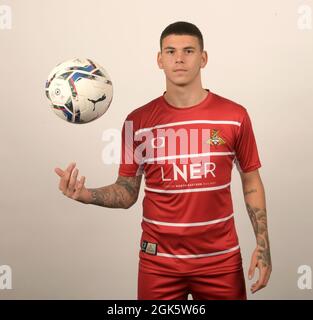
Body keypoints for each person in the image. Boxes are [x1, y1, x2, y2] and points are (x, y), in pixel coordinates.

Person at [55, 21, 272, 300]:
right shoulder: (138, 121)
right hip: (159, 265)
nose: (179, 58)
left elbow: (251, 181)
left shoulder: (234, 116)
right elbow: (127, 192)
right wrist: (86, 194)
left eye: (188, 50)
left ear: (203, 58)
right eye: (170, 51)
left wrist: (263, 246)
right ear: (159, 59)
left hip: (220, 261)